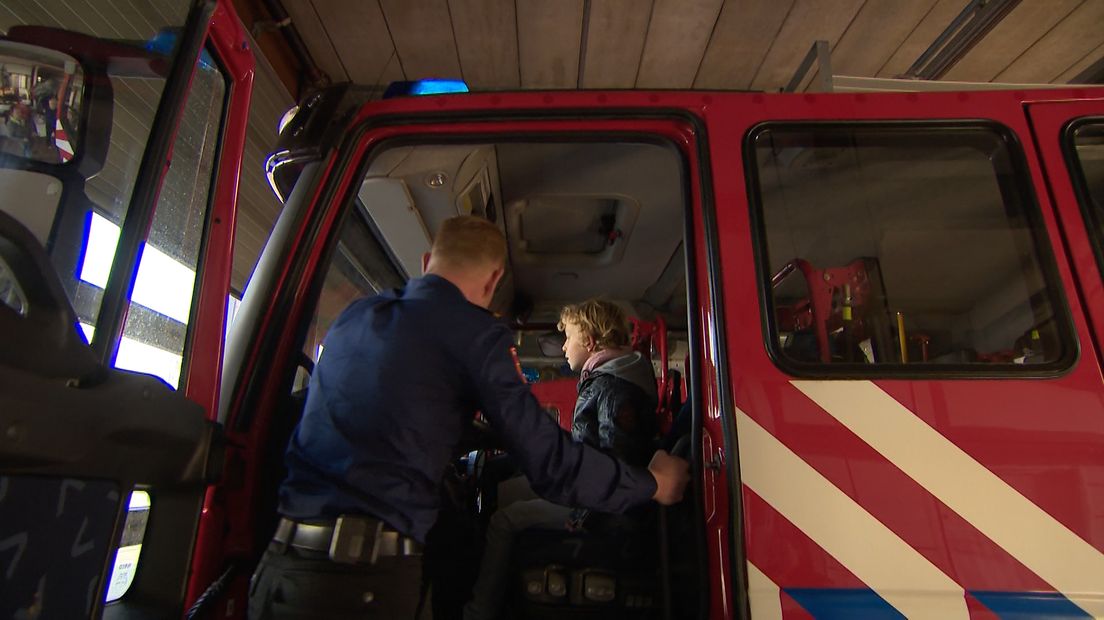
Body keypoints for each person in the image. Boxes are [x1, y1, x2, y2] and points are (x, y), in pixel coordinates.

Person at [248, 216, 689, 619]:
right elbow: (551, 466)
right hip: (365, 584)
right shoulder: (474, 333)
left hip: (279, 570)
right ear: (495, 278)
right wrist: (652, 484)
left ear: (426, 262)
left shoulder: (357, 316)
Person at [464, 299, 661, 620]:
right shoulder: (609, 378)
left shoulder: (612, 387)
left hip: (598, 508)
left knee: (504, 520)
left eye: (568, 337)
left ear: (590, 339)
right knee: (507, 491)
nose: (564, 346)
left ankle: (479, 611)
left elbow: (616, 463)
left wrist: (582, 514)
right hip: (589, 492)